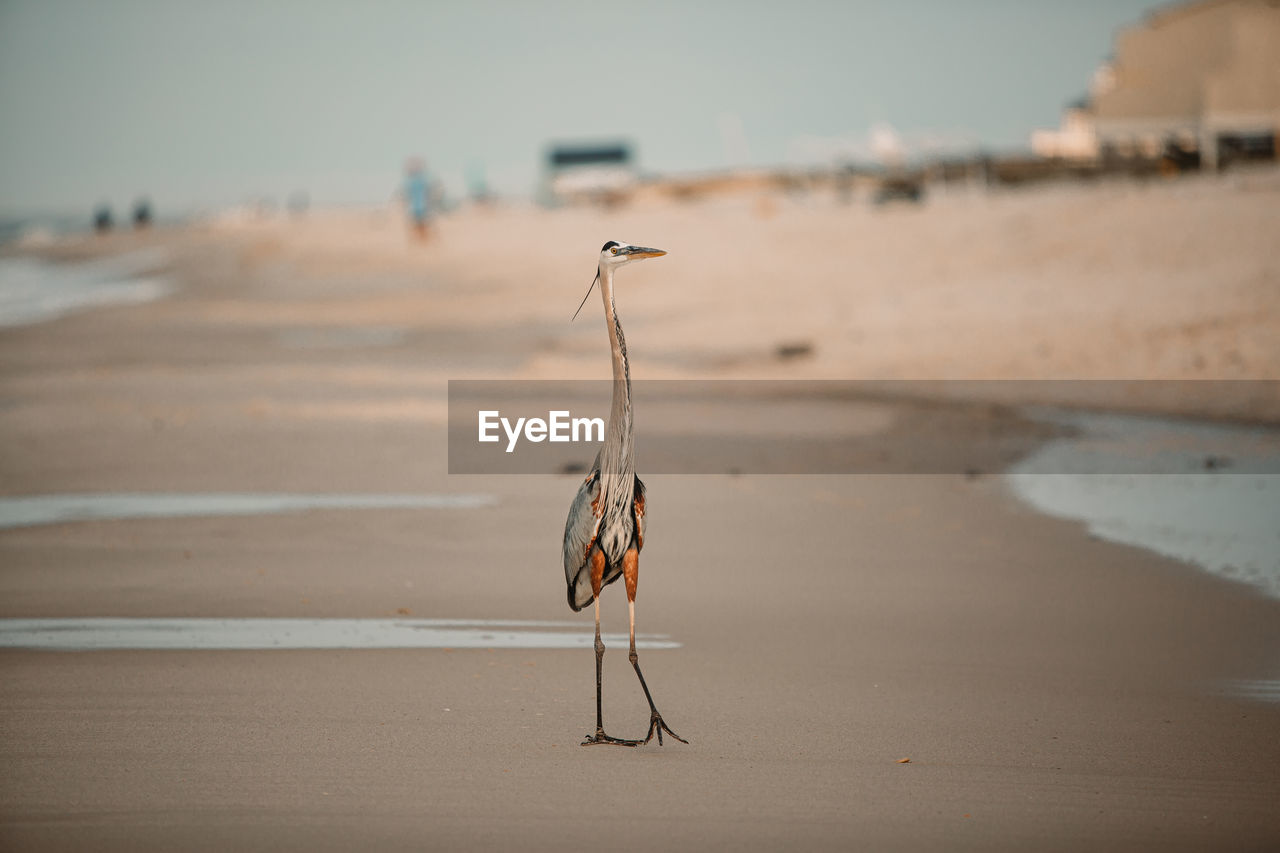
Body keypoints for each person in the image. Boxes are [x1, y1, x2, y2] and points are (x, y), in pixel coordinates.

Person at [403, 157, 431, 241]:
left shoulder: (416, 180)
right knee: (419, 226)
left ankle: (422, 240)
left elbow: (407, 195)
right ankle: (422, 240)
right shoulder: (418, 180)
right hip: (418, 207)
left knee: (420, 226)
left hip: (419, 207)